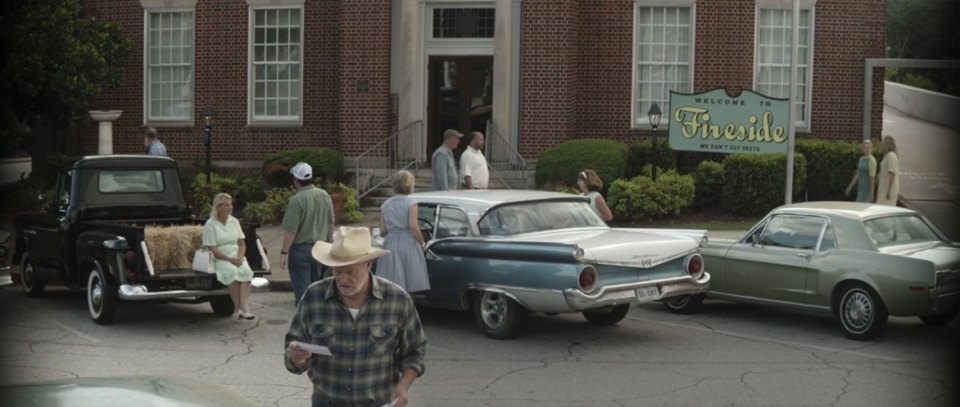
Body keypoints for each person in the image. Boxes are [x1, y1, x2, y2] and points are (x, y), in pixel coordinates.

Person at [284, 226, 427, 407]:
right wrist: (296, 358)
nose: (343, 280)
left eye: (350, 272)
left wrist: (404, 386)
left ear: (369, 264)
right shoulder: (314, 296)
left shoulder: (396, 299)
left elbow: (415, 350)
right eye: (337, 272)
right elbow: (292, 345)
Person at [279, 162, 335, 306]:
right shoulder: (324, 195)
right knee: (318, 287)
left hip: (300, 250)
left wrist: (284, 252)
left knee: (303, 291)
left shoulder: (297, 200)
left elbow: (291, 230)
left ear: (296, 181)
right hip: (321, 247)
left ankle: (306, 319)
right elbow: (331, 222)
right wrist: (329, 244)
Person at [202, 193, 256, 320]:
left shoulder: (234, 221)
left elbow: (242, 243)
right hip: (220, 258)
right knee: (232, 273)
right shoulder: (211, 224)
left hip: (236, 256)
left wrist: (240, 257)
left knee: (246, 272)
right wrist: (229, 259)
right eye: (226, 205)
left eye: (231, 205)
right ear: (218, 207)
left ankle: (244, 308)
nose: (230, 207)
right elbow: (212, 248)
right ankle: (238, 308)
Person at [377, 170, 430, 292]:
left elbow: (382, 230)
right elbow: (413, 226)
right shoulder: (411, 203)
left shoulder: (385, 204)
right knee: (409, 281)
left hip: (390, 243)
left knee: (391, 282)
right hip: (408, 243)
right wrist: (422, 242)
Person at [876, 135, 900, 206]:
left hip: (887, 190)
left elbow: (892, 173)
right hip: (883, 189)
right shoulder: (887, 156)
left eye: (883, 142)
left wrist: (889, 191)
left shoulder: (891, 156)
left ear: (887, 144)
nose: (881, 144)